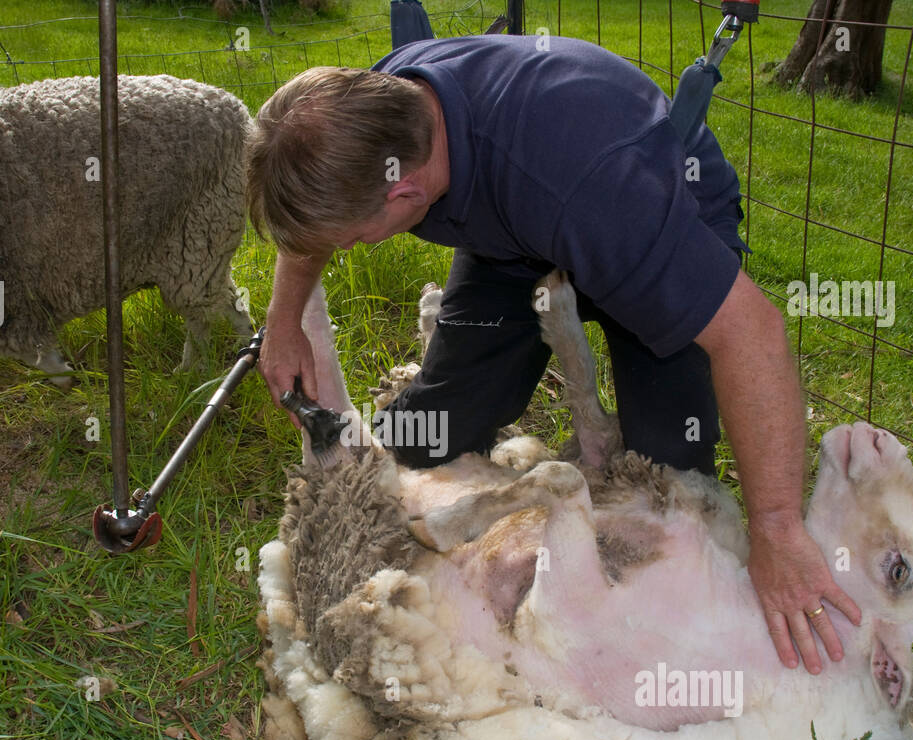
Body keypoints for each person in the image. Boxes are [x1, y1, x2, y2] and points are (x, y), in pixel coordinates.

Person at [246, 34, 860, 674]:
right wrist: (284, 318)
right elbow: (322, 194)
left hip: (648, 219)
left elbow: (752, 331)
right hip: (513, 237)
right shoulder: (371, 114)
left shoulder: (596, 192)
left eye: (353, 240)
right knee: (424, 435)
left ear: (405, 197)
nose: (354, 248)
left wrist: (780, 530)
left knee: (666, 490)